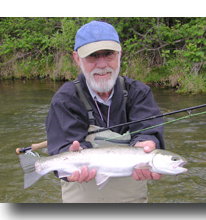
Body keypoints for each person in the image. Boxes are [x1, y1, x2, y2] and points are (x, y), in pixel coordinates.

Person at [46, 20, 165, 203]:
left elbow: (148, 131)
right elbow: (62, 147)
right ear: (77, 58)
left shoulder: (139, 93)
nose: (102, 64)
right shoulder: (65, 100)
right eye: (92, 56)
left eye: (109, 54)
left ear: (120, 54)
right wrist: (71, 156)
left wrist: (147, 142)